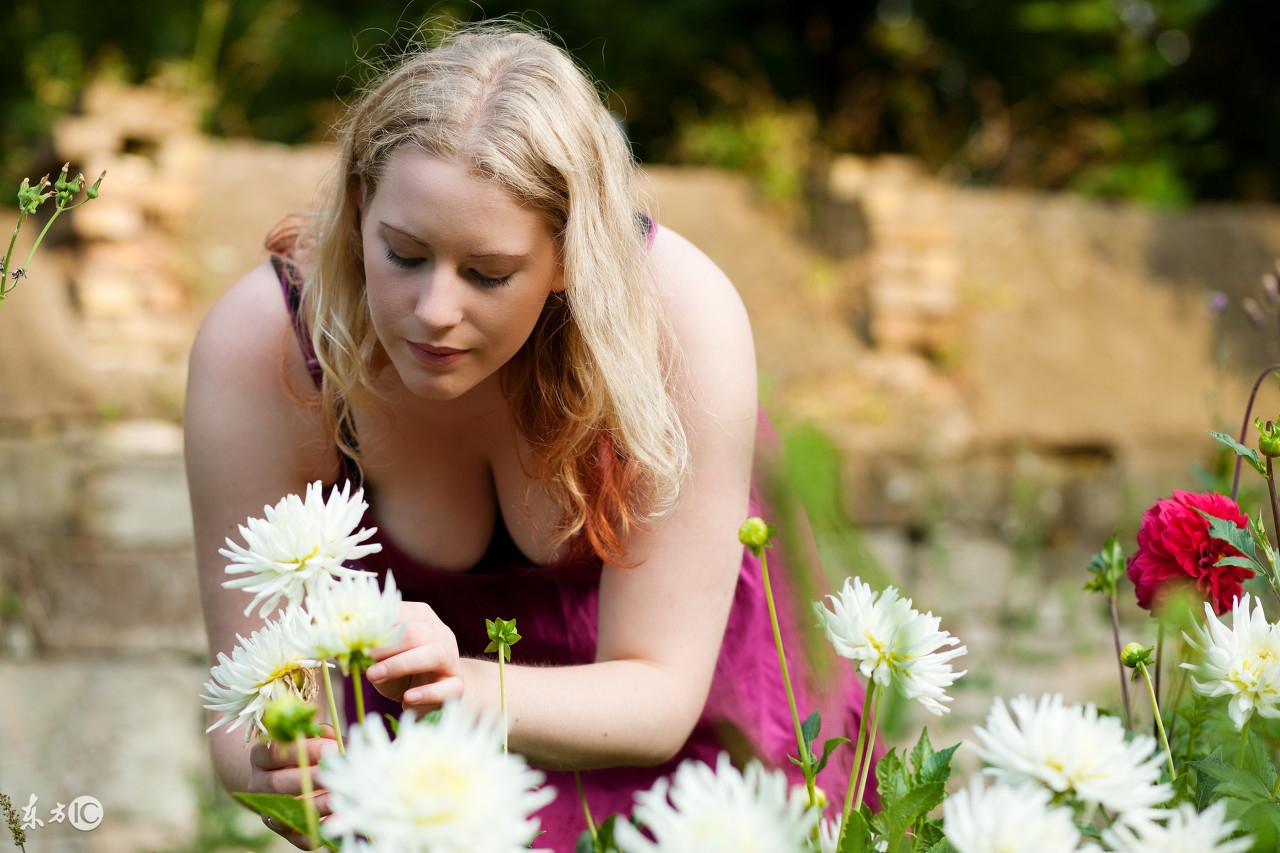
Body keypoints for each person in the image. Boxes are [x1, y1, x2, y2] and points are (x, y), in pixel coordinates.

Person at [187, 23, 869, 851]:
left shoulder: (680, 320)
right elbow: (242, 703)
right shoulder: (274, 344)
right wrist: (279, 768)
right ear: (361, 207)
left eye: (488, 274)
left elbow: (660, 698)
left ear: (571, 256)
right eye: (403, 253)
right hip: (436, 778)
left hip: (706, 750)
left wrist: (460, 686)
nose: (434, 309)